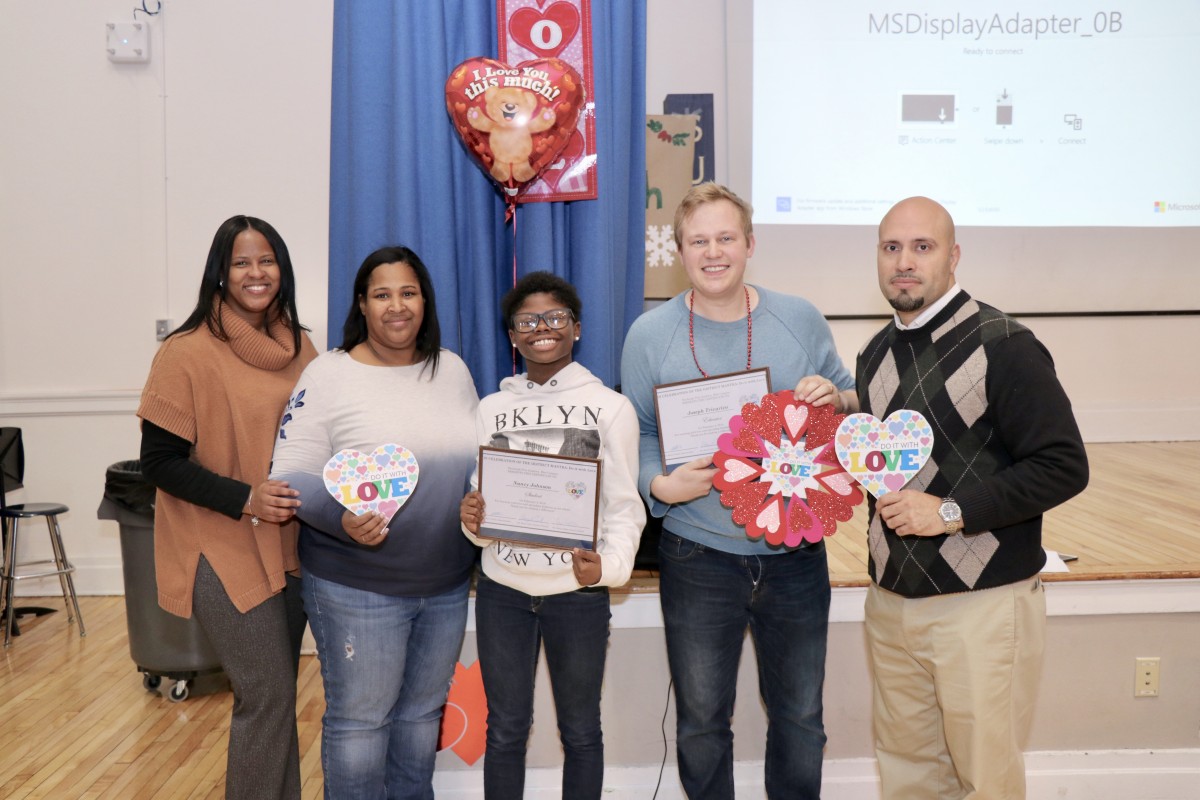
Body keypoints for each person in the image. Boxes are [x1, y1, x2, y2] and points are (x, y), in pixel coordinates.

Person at [619, 183, 857, 799]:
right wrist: (659, 483)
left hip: (797, 559)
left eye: (726, 238)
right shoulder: (649, 335)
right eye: (699, 241)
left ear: (750, 244)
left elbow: (849, 396)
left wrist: (835, 398)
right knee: (701, 724)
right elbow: (640, 433)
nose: (714, 252)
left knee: (801, 718)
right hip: (698, 553)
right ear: (680, 252)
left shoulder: (797, 316)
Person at [859, 196, 1089, 798]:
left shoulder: (1005, 343)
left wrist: (953, 513)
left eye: (922, 247)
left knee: (986, 780)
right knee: (907, 776)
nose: (904, 262)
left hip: (982, 607)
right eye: (892, 248)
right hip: (891, 604)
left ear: (953, 256)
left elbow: (1064, 465)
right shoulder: (874, 354)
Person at [268, 246, 479, 799]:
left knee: (418, 724)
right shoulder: (329, 374)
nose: (396, 306)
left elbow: (477, 465)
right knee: (362, 726)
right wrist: (341, 518)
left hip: (446, 586)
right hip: (355, 588)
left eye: (408, 292)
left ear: (425, 301)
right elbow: (288, 476)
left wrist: (479, 503)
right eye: (382, 294)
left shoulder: (452, 370)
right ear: (362, 304)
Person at [137, 215, 318, 800]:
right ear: (220, 272)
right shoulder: (185, 352)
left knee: (279, 697)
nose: (255, 272)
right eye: (241, 262)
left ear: (282, 270)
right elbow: (160, 463)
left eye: (266, 260)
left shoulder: (301, 346)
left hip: (289, 545)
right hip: (218, 544)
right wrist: (247, 500)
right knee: (265, 696)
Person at [459, 271, 645, 799]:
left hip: (577, 595)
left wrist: (607, 569)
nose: (543, 328)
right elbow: (480, 503)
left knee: (582, 731)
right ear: (512, 336)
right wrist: (470, 521)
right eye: (527, 321)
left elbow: (625, 506)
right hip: (503, 592)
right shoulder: (491, 408)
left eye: (556, 317)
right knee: (506, 731)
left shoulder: (611, 407)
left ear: (577, 328)